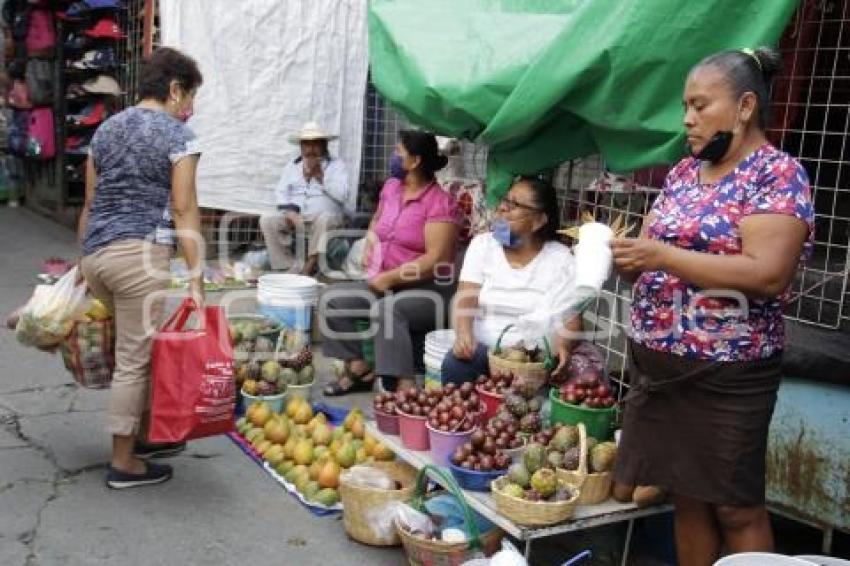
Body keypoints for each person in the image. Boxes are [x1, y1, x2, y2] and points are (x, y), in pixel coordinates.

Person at [610, 47, 814, 565]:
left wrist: (660, 254)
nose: (687, 119)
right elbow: (654, 247)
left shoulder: (776, 175)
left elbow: (765, 274)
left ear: (745, 106)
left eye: (700, 105)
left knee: (736, 508)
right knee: (688, 497)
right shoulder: (682, 174)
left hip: (727, 375)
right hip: (660, 369)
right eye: (685, 106)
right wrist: (629, 259)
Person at [78, 47, 204, 489]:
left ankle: (147, 436)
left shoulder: (105, 130)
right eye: (189, 97)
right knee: (134, 359)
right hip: (139, 256)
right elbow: (185, 209)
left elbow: (91, 205)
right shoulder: (178, 136)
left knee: (139, 350)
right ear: (173, 89)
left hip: (98, 256)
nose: (189, 109)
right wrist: (197, 277)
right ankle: (124, 463)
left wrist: (82, 263)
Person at [321, 130, 458, 395]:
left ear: (415, 161)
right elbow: (378, 220)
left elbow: (436, 260)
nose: (393, 157)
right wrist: (371, 236)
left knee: (386, 309)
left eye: (398, 152)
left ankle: (404, 388)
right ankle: (359, 369)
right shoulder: (392, 188)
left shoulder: (439, 203)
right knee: (332, 299)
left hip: (428, 290)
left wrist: (389, 278)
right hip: (385, 282)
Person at [443, 176, 581, 384]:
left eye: (514, 204)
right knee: (455, 364)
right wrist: (463, 334)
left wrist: (563, 347)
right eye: (504, 200)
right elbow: (466, 296)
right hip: (484, 350)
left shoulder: (561, 259)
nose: (502, 208)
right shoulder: (482, 245)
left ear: (539, 221)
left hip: (536, 358)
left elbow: (570, 318)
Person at [259, 121, 349, 275]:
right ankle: (288, 266)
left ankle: (310, 265)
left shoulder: (336, 165)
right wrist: (289, 212)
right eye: (306, 144)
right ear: (301, 147)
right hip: (297, 217)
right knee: (267, 219)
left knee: (325, 219)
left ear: (324, 145)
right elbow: (280, 193)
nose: (310, 149)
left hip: (325, 218)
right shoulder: (292, 166)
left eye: (315, 144)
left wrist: (322, 179)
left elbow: (343, 196)